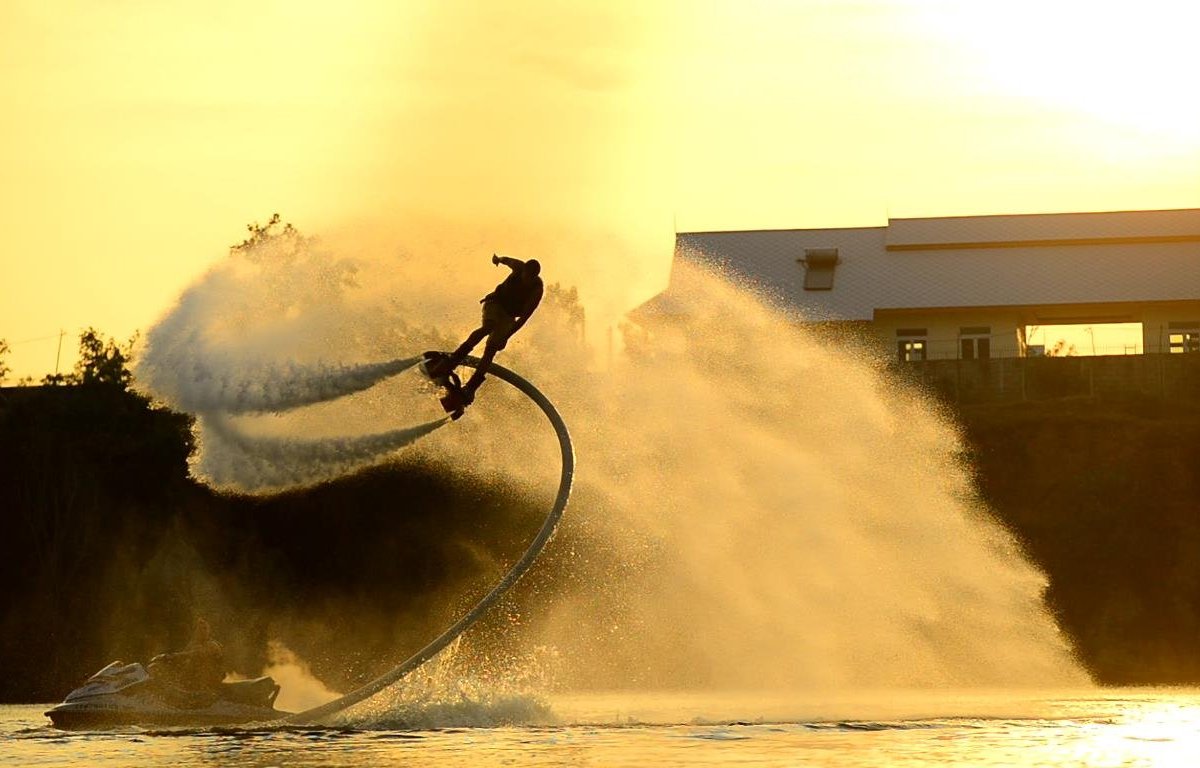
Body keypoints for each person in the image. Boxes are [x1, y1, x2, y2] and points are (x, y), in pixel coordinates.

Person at [431, 253, 543, 403]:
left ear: (535, 277)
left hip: (509, 316)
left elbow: (523, 319)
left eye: (530, 279)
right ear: (523, 271)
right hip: (495, 303)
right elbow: (506, 260)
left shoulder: (536, 290)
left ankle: (471, 387)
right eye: (526, 277)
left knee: (491, 349)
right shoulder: (518, 266)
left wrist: (506, 337)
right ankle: (452, 361)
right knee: (488, 327)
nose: (527, 281)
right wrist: (497, 259)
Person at [148, 617, 226, 696]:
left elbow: (194, 654)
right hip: (194, 678)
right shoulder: (193, 644)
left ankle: (184, 689)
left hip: (208, 679)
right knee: (156, 666)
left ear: (209, 630)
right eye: (200, 629)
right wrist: (168, 659)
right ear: (195, 631)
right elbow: (183, 657)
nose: (203, 631)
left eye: (205, 628)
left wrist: (169, 656)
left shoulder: (212, 645)